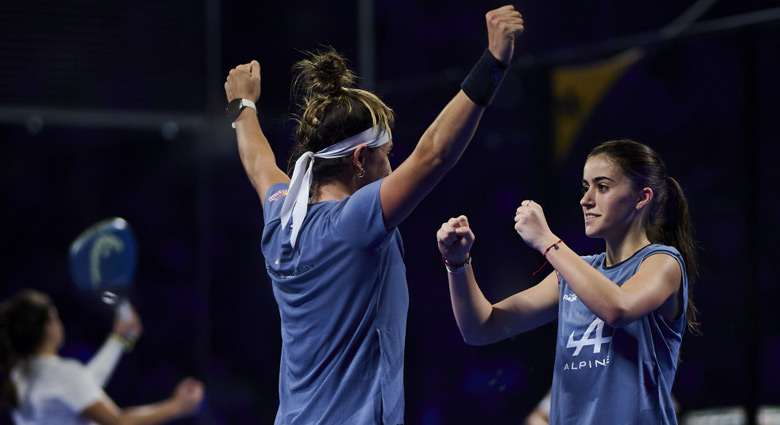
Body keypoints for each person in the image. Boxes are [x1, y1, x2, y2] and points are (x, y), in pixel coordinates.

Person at [223, 6, 524, 424]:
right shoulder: (353, 222)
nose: (393, 165)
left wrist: (243, 105)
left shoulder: (280, 216)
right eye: (387, 156)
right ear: (360, 159)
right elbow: (434, 154)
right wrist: (494, 62)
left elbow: (258, 161)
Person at [437, 139, 699, 424]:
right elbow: (481, 328)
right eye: (586, 187)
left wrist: (546, 240)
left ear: (641, 197)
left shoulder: (663, 262)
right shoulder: (575, 272)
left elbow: (618, 309)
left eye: (602, 186)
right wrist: (458, 263)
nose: (586, 199)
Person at [0, 289, 204, 425]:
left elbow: (83, 386)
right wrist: (177, 406)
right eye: (55, 317)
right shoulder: (63, 375)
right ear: (48, 329)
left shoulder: (18, 375)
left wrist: (117, 340)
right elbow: (118, 422)